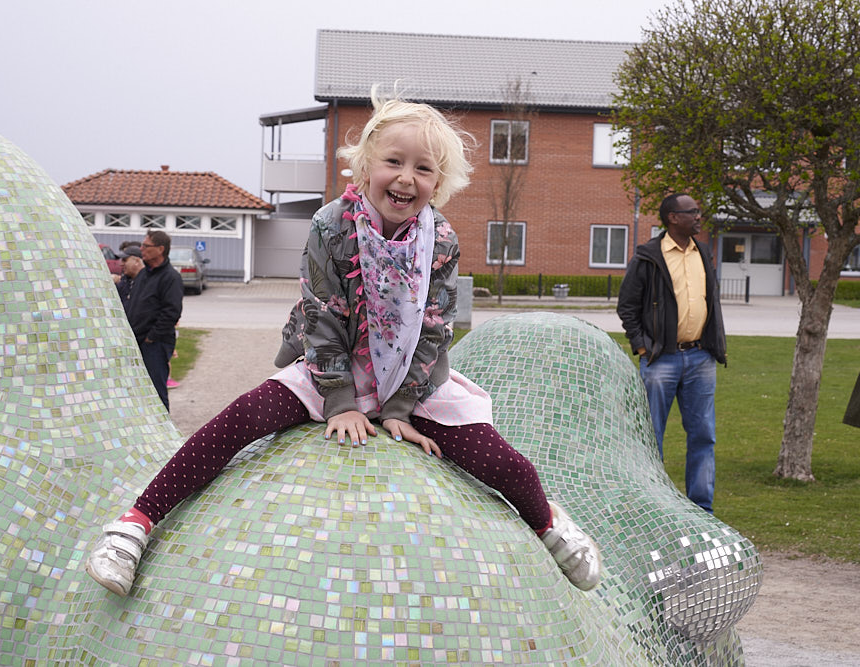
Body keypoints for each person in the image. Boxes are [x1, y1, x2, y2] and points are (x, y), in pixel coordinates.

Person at [86, 93, 602, 597]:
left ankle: (547, 523)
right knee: (239, 420)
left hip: (409, 375)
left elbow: (433, 325)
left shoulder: (440, 239)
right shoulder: (330, 225)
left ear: (438, 183)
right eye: (393, 162)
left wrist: (400, 406)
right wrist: (339, 400)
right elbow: (321, 314)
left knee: (500, 460)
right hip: (331, 363)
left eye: (423, 169)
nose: (406, 178)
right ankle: (135, 522)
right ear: (363, 166)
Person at [617, 193, 727, 513]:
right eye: (692, 212)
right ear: (673, 218)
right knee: (651, 439)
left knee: (703, 436)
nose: (699, 216)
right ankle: (651, 508)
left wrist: (713, 346)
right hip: (660, 360)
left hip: (700, 358)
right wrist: (641, 346)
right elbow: (627, 307)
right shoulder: (648, 257)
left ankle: (701, 510)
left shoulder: (703, 253)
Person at [124, 230, 183, 411]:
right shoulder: (143, 275)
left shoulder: (170, 277)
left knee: (156, 392)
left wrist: (152, 337)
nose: (141, 249)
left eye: (146, 246)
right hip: (137, 341)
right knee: (138, 391)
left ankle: (165, 433)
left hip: (155, 344)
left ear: (160, 249)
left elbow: (172, 312)